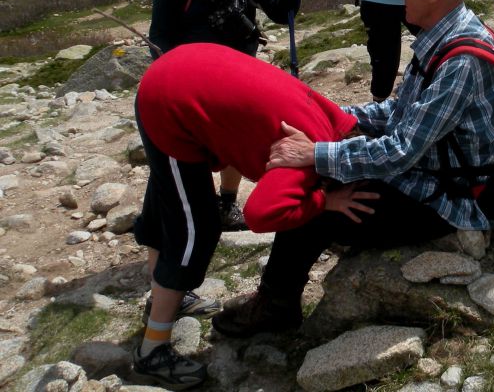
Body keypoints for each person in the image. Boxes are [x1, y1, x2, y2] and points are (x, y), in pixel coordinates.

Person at [211, 0, 494, 338]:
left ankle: (276, 306)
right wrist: (332, 117)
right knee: (327, 172)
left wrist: (316, 153)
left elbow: (400, 151)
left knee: (315, 200)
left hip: (445, 195)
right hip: (431, 168)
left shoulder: (460, 62)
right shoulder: (446, 36)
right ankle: (277, 295)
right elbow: (399, 112)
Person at [131, 42, 378, 390]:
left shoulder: (336, 121)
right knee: (193, 230)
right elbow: (261, 215)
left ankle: (163, 298)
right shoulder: (305, 158)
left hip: (184, 68)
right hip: (168, 101)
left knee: (168, 201)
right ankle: (152, 350)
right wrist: (325, 202)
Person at [149, 0, 304, 232]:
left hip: (239, 77)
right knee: (193, 146)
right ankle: (190, 208)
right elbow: (159, 37)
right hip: (193, 85)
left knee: (236, 138)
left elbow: (280, 12)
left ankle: (226, 203)